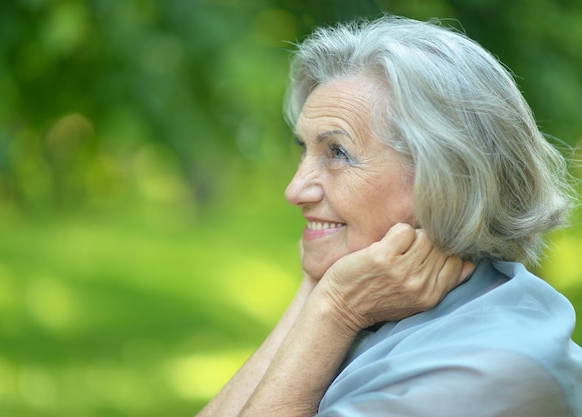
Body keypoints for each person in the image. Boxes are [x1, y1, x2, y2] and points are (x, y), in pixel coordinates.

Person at [197, 15, 582, 416]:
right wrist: (319, 291)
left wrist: (335, 307)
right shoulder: (378, 308)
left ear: (444, 179)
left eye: (337, 153)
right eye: (304, 150)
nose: (295, 190)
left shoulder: (488, 371)